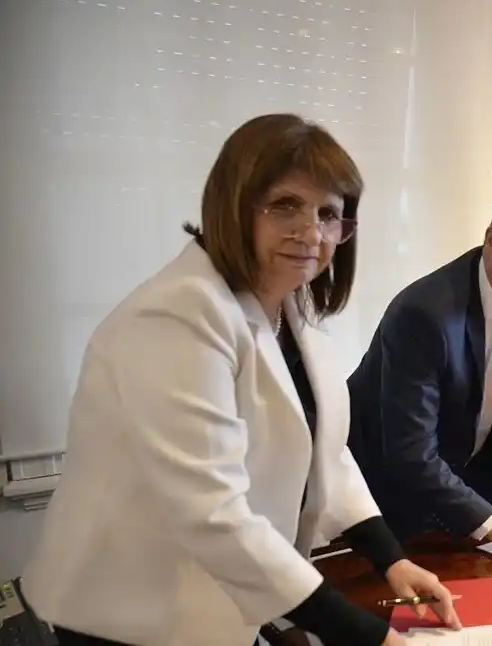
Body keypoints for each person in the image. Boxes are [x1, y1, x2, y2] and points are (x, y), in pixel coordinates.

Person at [20, 114, 458, 646]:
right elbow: (214, 514)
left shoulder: (288, 310)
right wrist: (370, 637)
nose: (311, 232)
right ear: (233, 204)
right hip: (130, 612)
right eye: (285, 205)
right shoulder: (176, 316)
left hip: (221, 600)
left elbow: (327, 454)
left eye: (329, 214)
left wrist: (392, 560)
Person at [348, 182, 492, 554]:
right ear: (490, 238)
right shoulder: (424, 314)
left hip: (472, 477)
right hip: (391, 486)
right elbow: (412, 453)